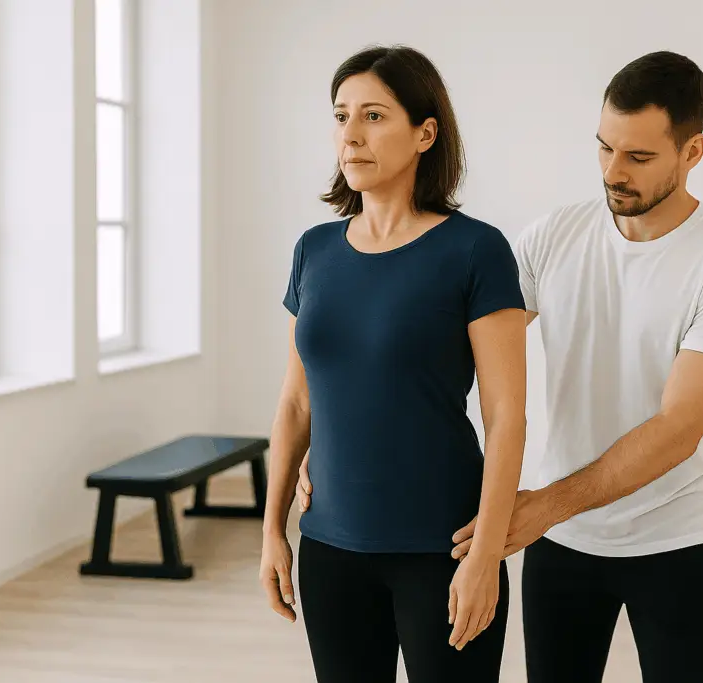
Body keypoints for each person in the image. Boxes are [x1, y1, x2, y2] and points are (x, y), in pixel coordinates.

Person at [451, 50, 703, 682]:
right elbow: (458, 356)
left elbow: (679, 429)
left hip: (677, 541)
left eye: (638, 157)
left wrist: (544, 507)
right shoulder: (552, 238)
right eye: (604, 148)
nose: (612, 172)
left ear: (693, 150)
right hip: (565, 545)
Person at [258, 44, 528, 683]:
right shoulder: (314, 250)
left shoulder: (475, 250)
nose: (351, 135)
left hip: (443, 551)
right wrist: (273, 529)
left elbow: (507, 415)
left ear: (425, 133)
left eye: (374, 116)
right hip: (329, 549)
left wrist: (487, 552)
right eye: (341, 115)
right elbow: (297, 403)